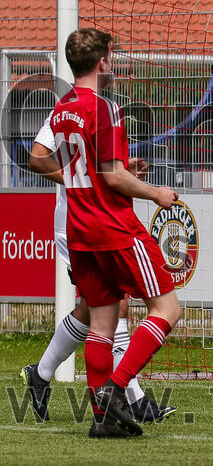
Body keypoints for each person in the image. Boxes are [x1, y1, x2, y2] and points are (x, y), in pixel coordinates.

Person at [47, 27, 181, 438]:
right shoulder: (104, 108)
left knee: (101, 325)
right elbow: (112, 175)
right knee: (167, 310)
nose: (114, 62)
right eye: (112, 55)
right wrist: (156, 192)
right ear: (102, 61)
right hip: (114, 227)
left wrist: (123, 168)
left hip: (80, 230)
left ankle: (103, 421)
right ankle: (115, 389)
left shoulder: (61, 110)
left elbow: (92, 167)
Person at [21, 114, 175, 425]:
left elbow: (102, 169)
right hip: (77, 224)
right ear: (100, 63)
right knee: (111, 305)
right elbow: (37, 157)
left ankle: (41, 374)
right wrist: (81, 179)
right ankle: (130, 396)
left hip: (94, 222)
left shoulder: (98, 111)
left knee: (94, 308)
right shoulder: (66, 112)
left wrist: (118, 170)